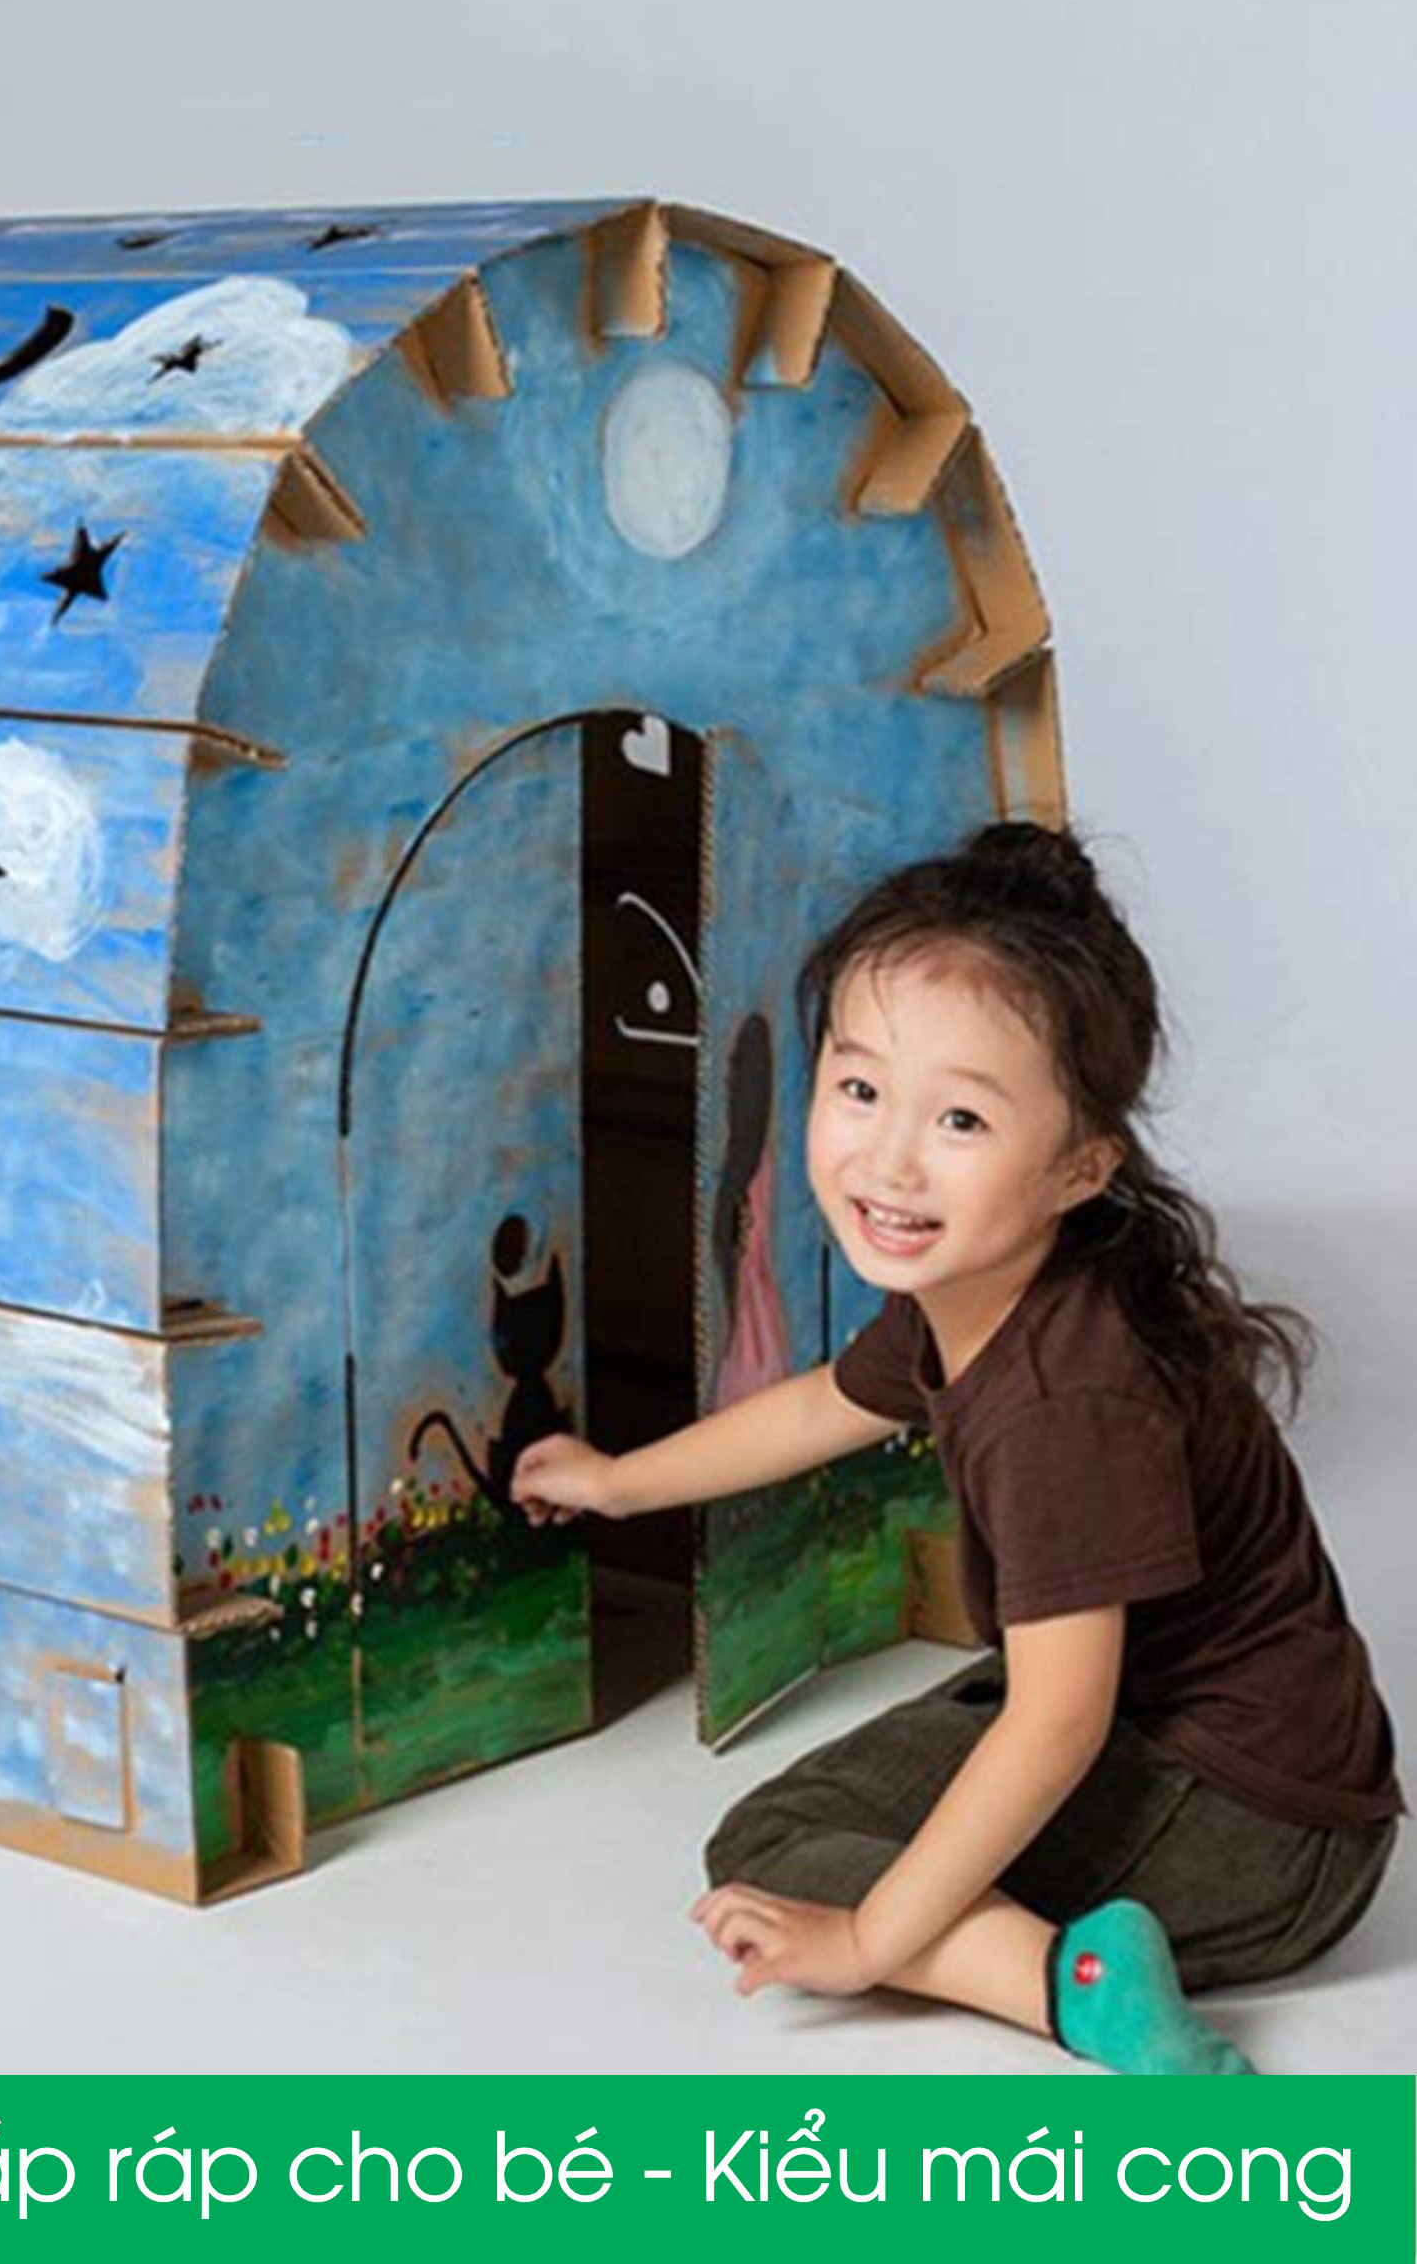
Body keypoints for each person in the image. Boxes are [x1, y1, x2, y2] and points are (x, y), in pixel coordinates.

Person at [511, 822, 1401, 2073]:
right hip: (1149, 1720)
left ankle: (1076, 1989)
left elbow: (1055, 1724)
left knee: (795, 1865)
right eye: (860, 1089)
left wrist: (867, 1943)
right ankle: (1058, 1953)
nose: (889, 1160)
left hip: (1265, 1826)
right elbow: (822, 1408)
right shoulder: (982, 1288)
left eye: (963, 1119)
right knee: (782, 1834)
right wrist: (618, 1482)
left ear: (1081, 1167)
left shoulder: (1066, 1404)